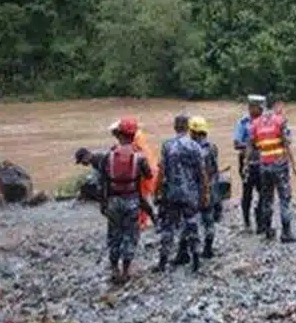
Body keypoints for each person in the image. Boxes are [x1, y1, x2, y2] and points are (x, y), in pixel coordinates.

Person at [76, 117, 154, 283]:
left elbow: (102, 181)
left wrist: (103, 203)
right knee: (130, 235)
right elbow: (149, 175)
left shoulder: (108, 156)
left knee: (114, 235)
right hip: (132, 201)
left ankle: (114, 269)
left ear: (119, 134)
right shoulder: (139, 157)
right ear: (133, 135)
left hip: (113, 201)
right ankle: (126, 270)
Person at [157, 114, 209, 272]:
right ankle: (195, 261)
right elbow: (202, 173)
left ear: (175, 127)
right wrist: (205, 193)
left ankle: (162, 262)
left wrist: (158, 191)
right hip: (190, 193)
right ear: (187, 127)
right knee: (192, 225)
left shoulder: (167, 145)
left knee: (168, 227)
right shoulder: (194, 147)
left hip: (171, 193)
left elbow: (162, 171)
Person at [249, 98, 296, 242]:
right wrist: (294, 165)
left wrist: (247, 164)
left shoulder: (255, 123)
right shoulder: (280, 121)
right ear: (275, 106)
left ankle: (268, 231)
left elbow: (252, 145)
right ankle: (286, 233)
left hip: (264, 165)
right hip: (280, 165)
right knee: (284, 198)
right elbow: (287, 143)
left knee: (267, 199)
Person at [189, 117, 222, 259]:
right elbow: (215, 169)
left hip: (195, 190)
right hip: (210, 188)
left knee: (192, 220)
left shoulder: (191, 149)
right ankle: (208, 249)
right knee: (208, 220)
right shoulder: (213, 147)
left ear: (194, 132)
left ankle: (192, 251)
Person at [234, 95, 261, 231]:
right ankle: (246, 222)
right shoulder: (243, 123)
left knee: (264, 192)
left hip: (264, 161)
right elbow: (237, 144)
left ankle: (261, 220)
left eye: (254, 106)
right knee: (247, 192)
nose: (251, 109)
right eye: (250, 106)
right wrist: (252, 145)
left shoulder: (267, 122)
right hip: (247, 162)